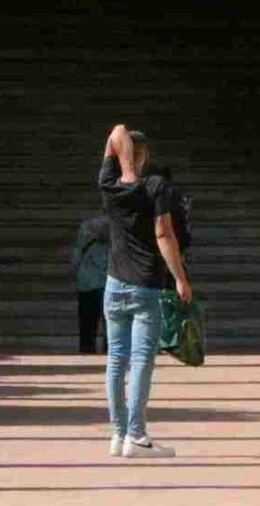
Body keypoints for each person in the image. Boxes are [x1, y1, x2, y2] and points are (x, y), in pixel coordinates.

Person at [98, 123, 191, 457]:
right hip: (145, 285)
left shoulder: (109, 184)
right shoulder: (156, 187)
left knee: (115, 360)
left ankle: (118, 433)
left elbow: (117, 130)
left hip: (113, 284)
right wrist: (180, 277)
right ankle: (135, 435)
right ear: (146, 156)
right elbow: (164, 235)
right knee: (140, 360)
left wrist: (124, 171)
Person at [73, 214, 112, 354]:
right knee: (111, 322)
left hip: (87, 282)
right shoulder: (116, 229)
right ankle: (110, 350)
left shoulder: (86, 228)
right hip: (111, 281)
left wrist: (76, 271)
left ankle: (86, 349)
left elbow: (77, 254)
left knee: (87, 322)